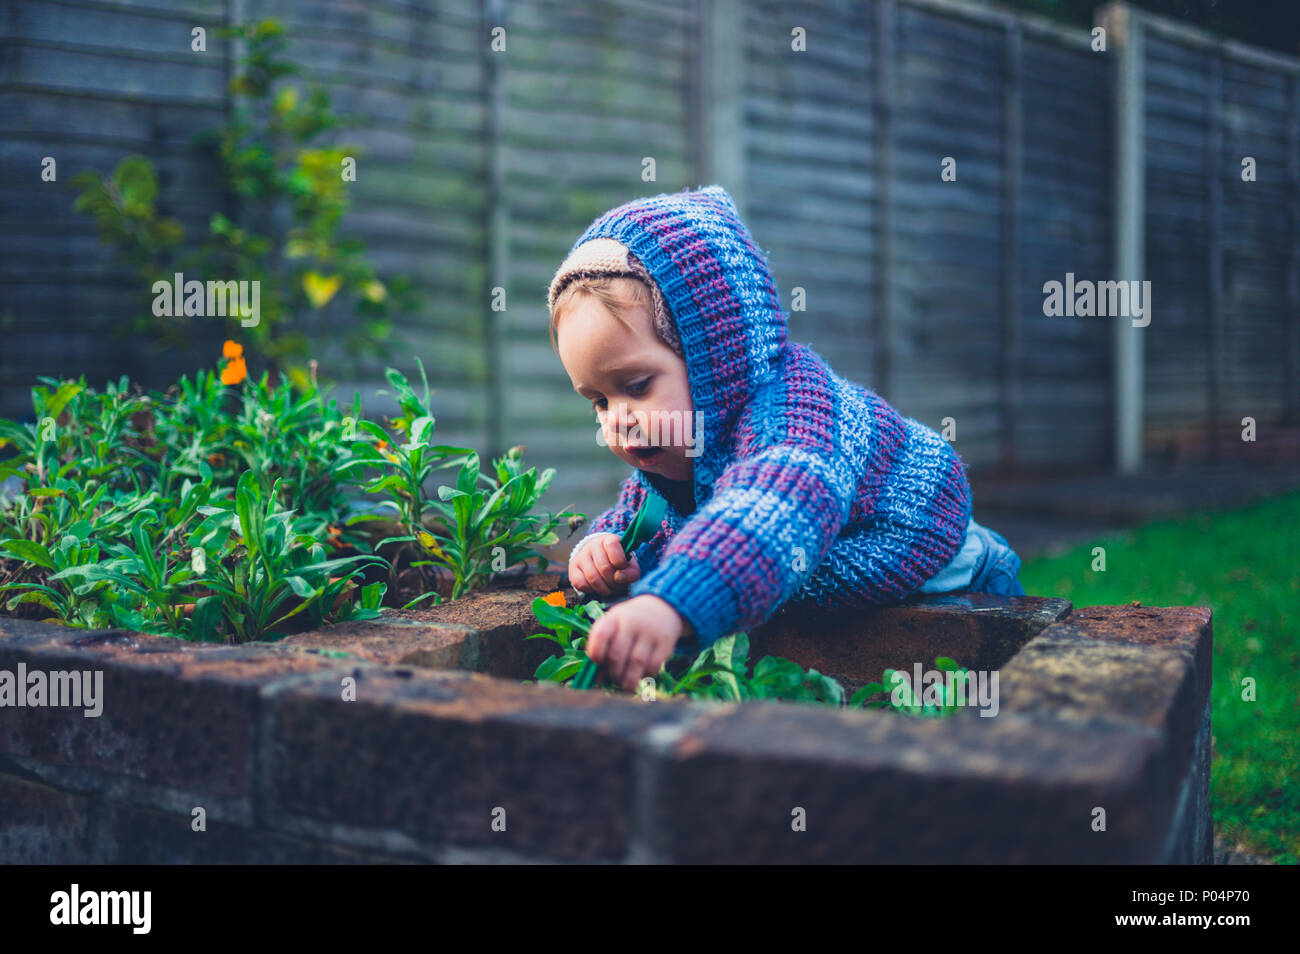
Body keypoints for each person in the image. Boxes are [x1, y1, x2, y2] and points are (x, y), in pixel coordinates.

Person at [547, 185, 1025, 692]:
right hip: (829, 590)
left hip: (949, 575)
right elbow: (650, 514)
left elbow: (771, 506)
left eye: (637, 387)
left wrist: (671, 603)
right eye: (599, 401)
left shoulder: (795, 415)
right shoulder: (671, 455)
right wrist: (606, 550)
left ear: (714, 356)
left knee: (975, 715)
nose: (618, 418)